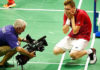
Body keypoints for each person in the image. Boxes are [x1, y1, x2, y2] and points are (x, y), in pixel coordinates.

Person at [53, 0, 97, 64]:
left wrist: (72, 18)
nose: (66, 11)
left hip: (84, 36)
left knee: (73, 55)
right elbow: (64, 31)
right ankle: (73, 49)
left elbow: (75, 31)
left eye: (68, 9)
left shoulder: (81, 14)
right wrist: (68, 19)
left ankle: (91, 51)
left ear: (73, 8)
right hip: (72, 36)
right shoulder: (66, 14)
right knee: (56, 51)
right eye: (65, 9)